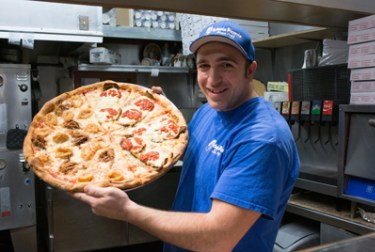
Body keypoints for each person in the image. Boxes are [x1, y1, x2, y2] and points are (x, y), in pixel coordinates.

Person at [73, 20, 300, 252]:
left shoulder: (262, 139)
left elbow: (218, 238)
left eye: (226, 65)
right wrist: (155, 119)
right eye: (204, 66)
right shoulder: (207, 112)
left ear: (250, 70)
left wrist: (128, 211)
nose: (212, 79)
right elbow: (175, 150)